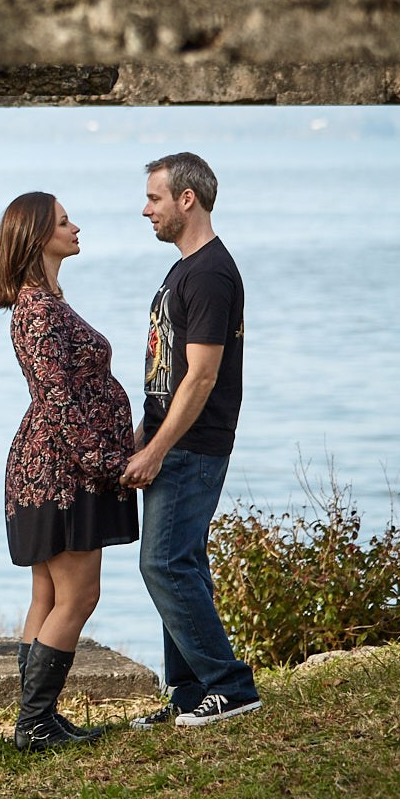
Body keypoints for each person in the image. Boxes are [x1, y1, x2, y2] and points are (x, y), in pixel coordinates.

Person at [0, 191, 139, 751]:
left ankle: (37, 719)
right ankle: (35, 724)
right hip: (61, 471)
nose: (76, 228)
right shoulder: (40, 311)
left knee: (48, 596)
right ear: (37, 237)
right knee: (78, 595)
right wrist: (110, 464)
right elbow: (60, 403)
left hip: (53, 465)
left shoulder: (44, 303)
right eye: (65, 222)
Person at [122, 152, 263, 726]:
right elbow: (170, 369)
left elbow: (202, 375)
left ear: (188, 199)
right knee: (183, 563)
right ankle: (189, 692)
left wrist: (158, 449)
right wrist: (145, 433)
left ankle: (230, 685)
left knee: (163, 564)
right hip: (172, 439)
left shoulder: (207, 273)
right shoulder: (184, 269)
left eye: (154, 198)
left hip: (193, 445)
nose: (146, 209)